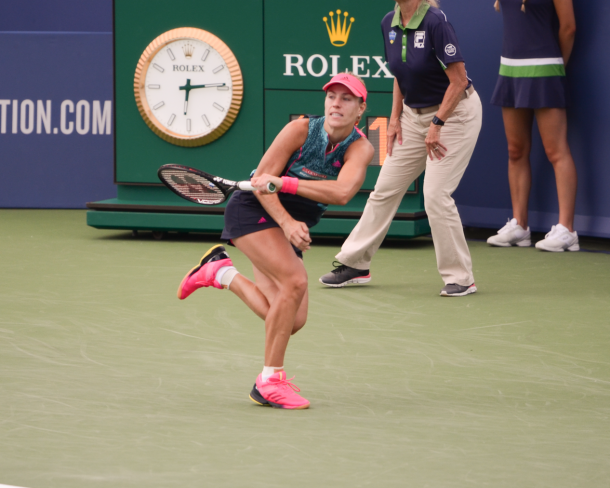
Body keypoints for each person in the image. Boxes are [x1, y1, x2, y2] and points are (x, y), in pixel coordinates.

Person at [176, 73, 374, 409]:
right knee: (295, 281)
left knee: (292, 320)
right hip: (255, 211)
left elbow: (342, 192)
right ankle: (270, 380)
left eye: (346, 99)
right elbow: (260, 183)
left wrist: (285, 186)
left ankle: (220, 271)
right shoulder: (300, 130)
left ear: (360, 109)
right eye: (332, 97)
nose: (336, 103)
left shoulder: (361, 147)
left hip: (288, 217)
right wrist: (285, 219)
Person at [319, 0, 482, 297]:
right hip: (411, 116)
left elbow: (458, 81)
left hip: (454, 115)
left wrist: (437, 123)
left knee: (435, 195)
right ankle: (355, 264)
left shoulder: (436, 21)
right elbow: (401, 75)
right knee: (384, 190)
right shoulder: (388, 23)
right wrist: (394, 119)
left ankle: (461, 277)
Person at [487, 0, 578, 252]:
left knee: (556, 151)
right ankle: (520, 226)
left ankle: (567, 230)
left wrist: (556, 67)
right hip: (510, 69)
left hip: (546, 67)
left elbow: (569, 27)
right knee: (515, 150)